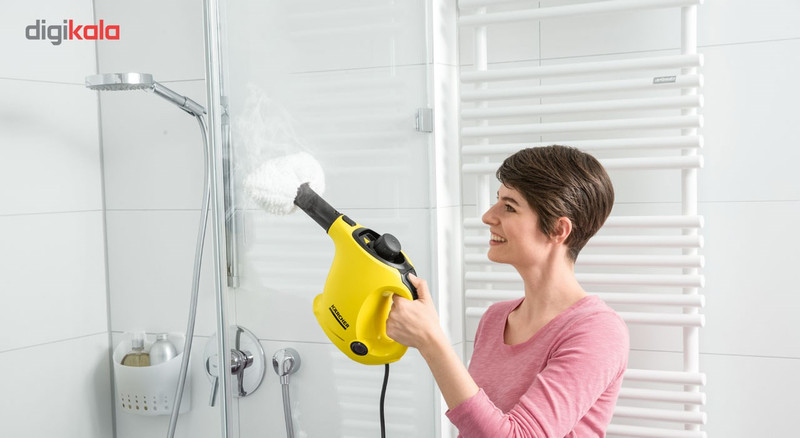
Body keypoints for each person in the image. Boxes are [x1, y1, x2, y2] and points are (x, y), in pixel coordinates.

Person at [386, 145, 629, 437]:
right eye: (497, 201)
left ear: (558, 230)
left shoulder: (597, 331)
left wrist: (431, 341)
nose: (488, 216)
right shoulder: (495, 318)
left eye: (509, 207)